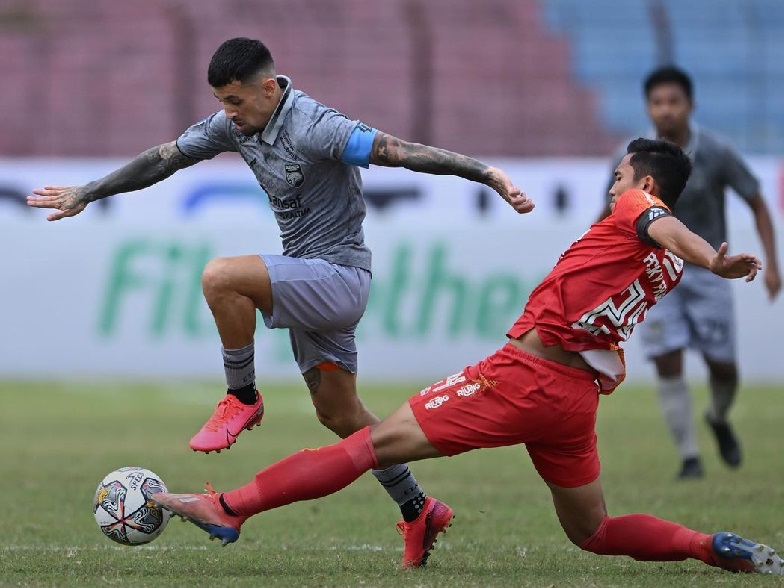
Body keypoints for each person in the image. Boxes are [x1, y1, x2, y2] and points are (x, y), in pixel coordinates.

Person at [151, 139, 782, 575]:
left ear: (643, 183)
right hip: (573, 403)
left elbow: (660, 225)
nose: (613, 186)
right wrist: (701, 260)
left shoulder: (641, 211)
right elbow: (663, 242)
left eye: (619, 177)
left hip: (523, 378)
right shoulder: (663, 264)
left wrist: (715, 260)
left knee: (364, 445)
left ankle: (228, 508)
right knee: (593, 532)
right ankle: (709, 546)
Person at [26, 37, 534, 567]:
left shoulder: (317, 126)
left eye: (235, 101)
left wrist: (489, 174)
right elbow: (165, 158)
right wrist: (89, 190)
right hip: (308, 276)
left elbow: (400, 152)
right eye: (222, 102)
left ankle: (242, 397)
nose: (227, 115)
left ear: (268, 88)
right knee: (341, 415)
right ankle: (418, 507)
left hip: (338, 277)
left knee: (222, 277)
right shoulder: (235, 123)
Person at [599, 66, 781, 480]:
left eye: (673, 102)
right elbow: (610, 214)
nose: (665, 110)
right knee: (666, 358)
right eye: (657, 103)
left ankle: (718, 417)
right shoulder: (628, 159)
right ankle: (689, 457)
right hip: (653, 274)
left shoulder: (716, 151)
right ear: (647, 107)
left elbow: (757, 202)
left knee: (722, 367)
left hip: (707, 271)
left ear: (690, 105)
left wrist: (773, 264)